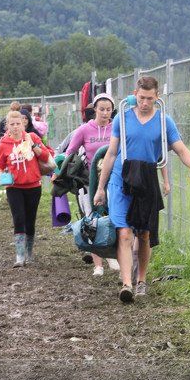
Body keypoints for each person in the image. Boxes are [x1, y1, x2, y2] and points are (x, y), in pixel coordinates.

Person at [94, 76, 190, 303]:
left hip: (146, 180)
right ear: (135, 94)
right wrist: (101, 188)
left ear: (157, 97)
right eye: (141, 98)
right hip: (121, 179)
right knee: (124, 233)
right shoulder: (122, 118)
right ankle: (126, 284)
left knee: (144, 234)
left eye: (150, 99)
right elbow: (111, 153)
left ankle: (141, 280)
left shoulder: (164, 122)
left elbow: (181, 149)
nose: (144, 103)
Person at [65, 93, 120, 276]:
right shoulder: (84, 130)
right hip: (90, 182)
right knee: (92, 220)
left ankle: (113, 255)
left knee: (114, 217)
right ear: (95, 109)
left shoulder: (117, 128)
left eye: (108, 109)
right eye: (101, 109)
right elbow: (70, 152)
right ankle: (98, 264)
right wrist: (62, 172)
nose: (105, 113)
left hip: (114, 181)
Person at [0, 110, 51, 267]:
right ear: (7, 126)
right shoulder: (4, 144)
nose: (15, 127)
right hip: (14, 187)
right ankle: (20, 256)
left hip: (33, 186)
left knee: (30, 220)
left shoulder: (32, 137)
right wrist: (1, 176)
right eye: (12, 124)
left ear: (23, 124)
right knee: (18, 219)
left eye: (18, 123)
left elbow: (45, 156)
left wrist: (33, 145)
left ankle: (29, 252)